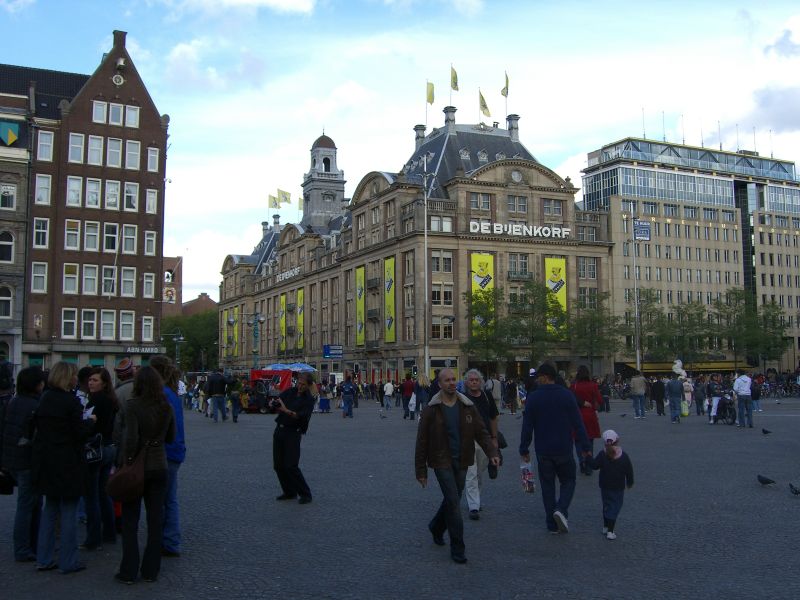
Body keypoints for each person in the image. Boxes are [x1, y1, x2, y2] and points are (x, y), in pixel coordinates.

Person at [415, 368, 499, 564]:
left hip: (463, 460)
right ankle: (458, 547)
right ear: (440, 384)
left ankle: (436, 526)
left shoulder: (467, 406)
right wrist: (420, 470)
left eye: (454, 379)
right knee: (454, 502)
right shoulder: (431, 410)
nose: (452, 383)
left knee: (452, 498)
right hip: (440, 460)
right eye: (447, 380)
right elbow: (421, 441)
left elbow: (481, 432)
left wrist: (492, 452)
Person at [32, 361, 96, 573]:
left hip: (47, 460)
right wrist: (91, 422)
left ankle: (44, 557)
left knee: (50, 510)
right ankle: (68, 561)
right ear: (68, 377)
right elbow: (78, 433)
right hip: (68, 461)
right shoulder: (71, 402)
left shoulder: (45, 399)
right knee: (69, 511)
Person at [116, 366, 176, 585]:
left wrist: (126, 462)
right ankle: (151, 570)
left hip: (137, 467)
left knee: (130, 521)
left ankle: (129, 570)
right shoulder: (166, 407)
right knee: (155, 519)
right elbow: (171, 437)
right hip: (159, 465)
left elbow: (130, 439)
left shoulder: (132, 406)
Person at [519, 363, 590, 534]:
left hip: (543, 450)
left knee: (548, 486)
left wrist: (524, 448)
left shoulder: (534, 398)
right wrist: (586, 446)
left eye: (539, 377)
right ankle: (561, 508)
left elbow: (527, 426)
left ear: (544, 377)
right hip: (564, 448)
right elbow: (578, 424)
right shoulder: (567, 395)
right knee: (569, 481)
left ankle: (551, 524)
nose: (537, 380)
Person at [1, 367, 45, 562]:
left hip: (13, 459)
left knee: (30, 504)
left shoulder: (13, 402)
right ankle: (23, 548)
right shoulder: (34, 406)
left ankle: (30, 544)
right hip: (27, 461)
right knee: (27, 505)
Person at [149, 355, 186, 558]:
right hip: (176, 449)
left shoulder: (161, 394)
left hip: (165, 451)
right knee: (169, 497)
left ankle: (168, 540)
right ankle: (170, 539)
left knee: (164, 498)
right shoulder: (172, 393)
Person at [81, 367, 119, 551]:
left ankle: (93, 537)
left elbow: (90, 427)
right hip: (109, 447)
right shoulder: (111, 400)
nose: (91, 383)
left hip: (97, 449)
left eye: (95, 380)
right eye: (90, 380)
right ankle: (110, 532)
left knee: (92, 495)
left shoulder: (95, 401)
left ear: (104, 383)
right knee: (104, 493)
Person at [272, 372, 316, 504]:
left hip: (293, 432)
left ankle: (305, 494)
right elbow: (279, 400)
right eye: (299, 383)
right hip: (280, 429)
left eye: (303, 385)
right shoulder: (290, 391)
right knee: (278, 465)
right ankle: (289, 492)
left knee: (291, 465)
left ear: (308, 385)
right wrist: (274, 403)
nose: (300, 386)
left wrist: (285, 410)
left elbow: (300, 416)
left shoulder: (308, 399)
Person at [462, 369, 499, 521]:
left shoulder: (486, 396)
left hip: (485, 439)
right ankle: (473, 506)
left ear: (481, 381)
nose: (474, 382)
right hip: (468, 440)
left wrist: (494, 437)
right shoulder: (462, 398)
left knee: (479, 471)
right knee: (471, 473)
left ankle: (476, 498)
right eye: (471, 380)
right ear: (466, 382)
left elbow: (493, 417)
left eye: (476, 380)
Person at [588, 430, 634, 540]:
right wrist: (630, 482)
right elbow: (629, 471)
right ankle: (610, 531)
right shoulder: (624, 456)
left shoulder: (602, 454)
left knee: (606, 505)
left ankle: (605, 526)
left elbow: (594, 466)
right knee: (614, 507)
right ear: (617, 440)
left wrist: (588, 457)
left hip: (604, 485)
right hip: (618, 487)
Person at [570, 366, 602, 476]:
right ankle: (589, 463)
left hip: (577, 415)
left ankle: (581, 461)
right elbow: (600, 400)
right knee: (589, 440)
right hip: (590, 415)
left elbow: (570, 399)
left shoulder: (574, 386)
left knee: (578, 441)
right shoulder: (593, 385)